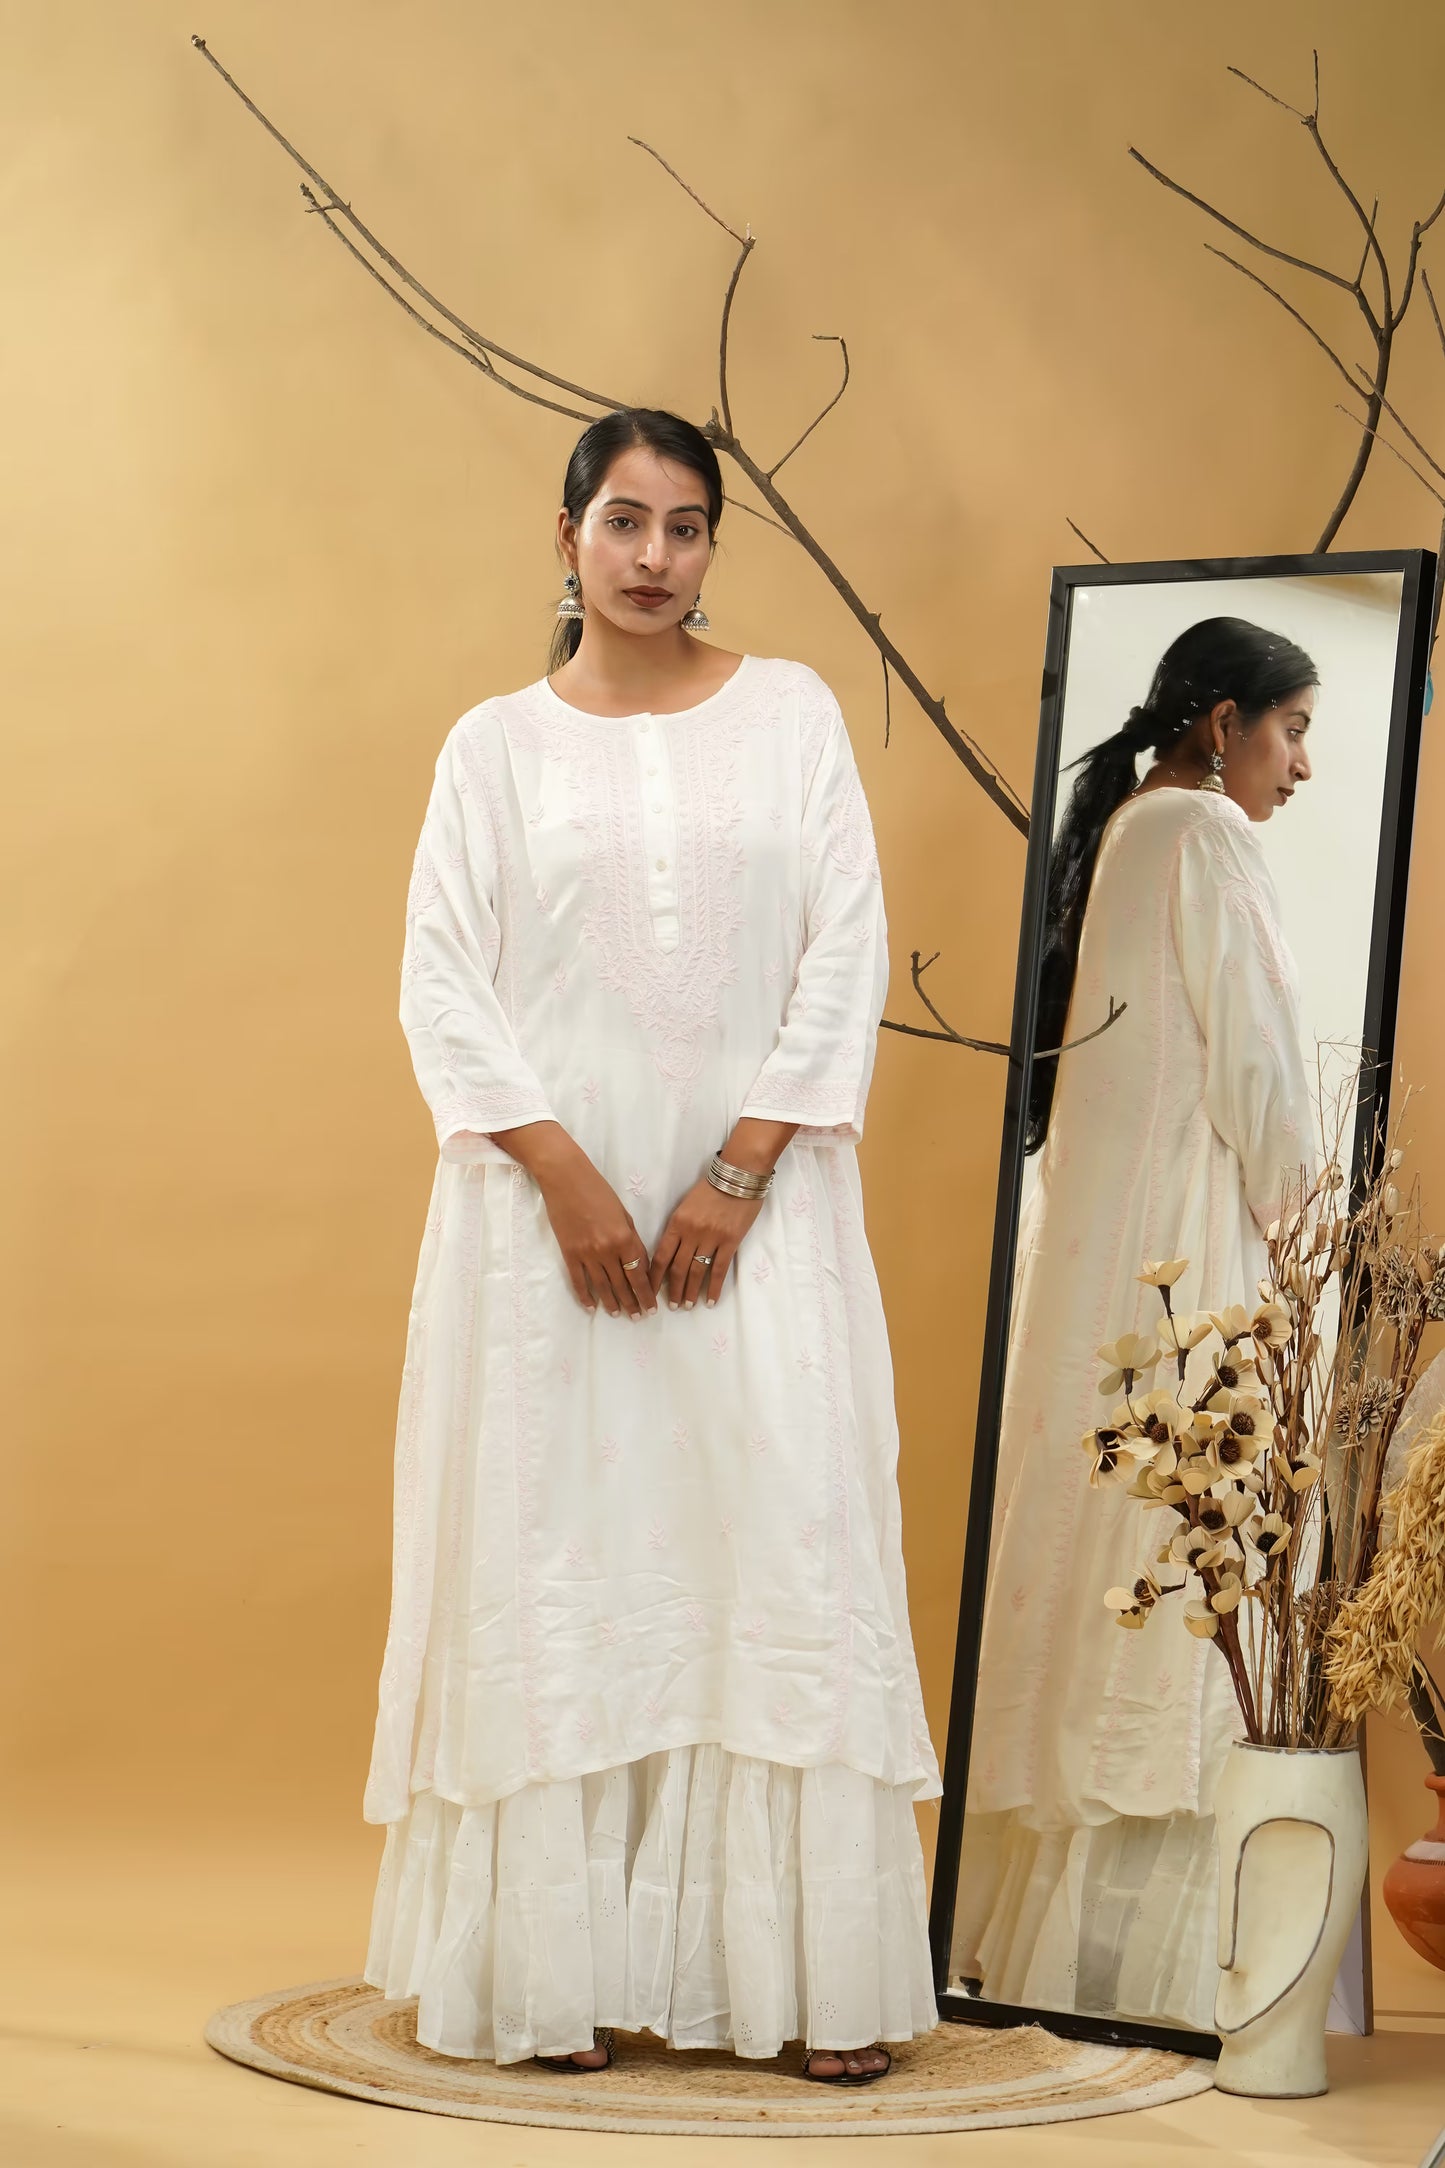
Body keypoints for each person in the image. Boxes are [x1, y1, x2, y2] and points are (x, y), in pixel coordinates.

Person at [362, 407, 940, 2080]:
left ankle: (809, 1987)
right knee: (566, 1552)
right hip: (544, 1238)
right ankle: (554, 1980)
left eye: (688, 528)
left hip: (766, 1225)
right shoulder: (492, 748)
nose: (654, 558)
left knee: (782, 1539)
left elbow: (846, 949)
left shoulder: (792, 716)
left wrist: (739, 1171)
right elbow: (441, 983)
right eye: (623, 521)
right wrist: (564, 1174)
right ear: (565, 538)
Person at [953, 617, 1318, 2029]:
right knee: (1176, 1577)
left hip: (1111, 1265)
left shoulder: (1124, 830)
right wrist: (1308, 1250)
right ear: (1221, 724)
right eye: (1289, 731)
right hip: (1190, 1254)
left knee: (1103, 1562)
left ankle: (1041, 1955)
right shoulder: (1205, 837)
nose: (1302, 765)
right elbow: (1260, 1065)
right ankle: (1158, 1980)